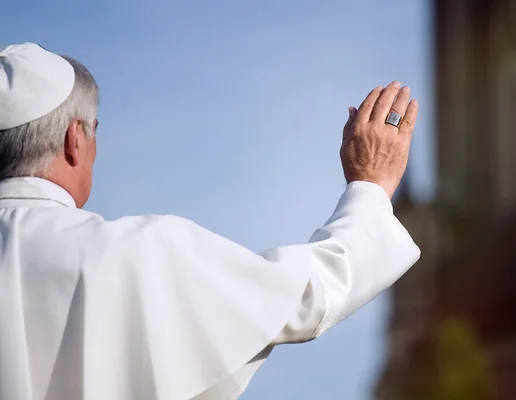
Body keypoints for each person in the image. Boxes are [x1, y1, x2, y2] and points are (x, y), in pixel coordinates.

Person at [0, 42, 420, 400]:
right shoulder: (134, 253)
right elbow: (309, 294)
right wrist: (370, 185)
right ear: (75, 140)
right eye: (94, 131)